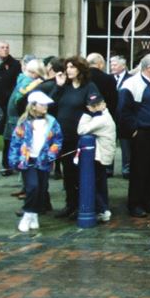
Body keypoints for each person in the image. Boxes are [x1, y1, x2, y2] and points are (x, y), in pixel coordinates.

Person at [118, 54, 150, 218]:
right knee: (140, 170)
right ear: (149, 68)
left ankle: (147, 201)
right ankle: (135, 204)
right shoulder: (132, 84)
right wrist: (133, 130)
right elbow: (124, 110)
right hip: (142, 134)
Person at [47, 56, 92, 219]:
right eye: (67, 67)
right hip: (63, 136)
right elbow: (49, 105)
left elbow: (95, 108)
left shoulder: (88, 87)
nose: (69, 70)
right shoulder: (64, 87)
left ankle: (83, 205)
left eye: (72, 67)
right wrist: (58, 86)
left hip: (80, 137)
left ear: (80, 69)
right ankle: (70, 204)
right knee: (68, 172)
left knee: (80, 172)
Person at [10, 91, 62, 232]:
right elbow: (16, 142)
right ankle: (27, 214)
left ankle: (34, 215)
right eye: (42, 104)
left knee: (41, 187)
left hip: (43, 160)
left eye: (46, 104)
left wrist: (51, 153)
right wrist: (14, 159)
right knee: (32, 186)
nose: (45, 107)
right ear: (33, 106)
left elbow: (57, 139)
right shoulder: (23, 123)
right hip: (27, 160)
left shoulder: (51, 122)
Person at [77, 89, 117, 223]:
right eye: (92, 105)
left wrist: (87, 113)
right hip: (101, 154)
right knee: (100, 184)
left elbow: (81, 129)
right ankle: (102, 209)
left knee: (92, 184)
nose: (95, 107)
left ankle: (103, 210)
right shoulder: (103, 115)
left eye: (98, 104)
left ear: (104, 104)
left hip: (100, 157)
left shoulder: (101, 119)